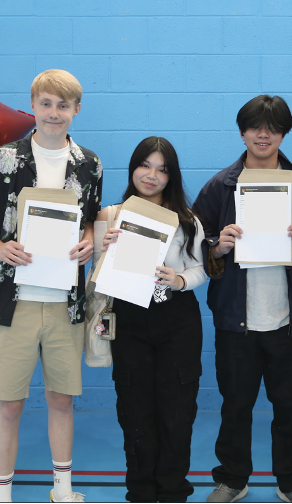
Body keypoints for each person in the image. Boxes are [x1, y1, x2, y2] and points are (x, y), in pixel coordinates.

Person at [0, 69, 102, 503]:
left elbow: (93, 221)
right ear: (34, 106)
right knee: (9, 406)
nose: (54, 113)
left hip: (65, 304)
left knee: (62, 401)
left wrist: (90, 242)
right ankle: (4, 496)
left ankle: (62, 488)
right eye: (46, 103)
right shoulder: (3, 160)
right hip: (12, 302)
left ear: (76, 110)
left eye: (63, 105)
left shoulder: (89, 164)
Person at [192, 95, 292, 504]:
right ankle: (232, 479)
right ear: (242, 132)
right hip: (237, 320)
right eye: (255, 126)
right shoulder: (220, 186)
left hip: (288, 320)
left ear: (283, 132)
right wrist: (218, 246)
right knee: (235, 405)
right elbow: (194, 245)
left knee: (290, 408)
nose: (263, 134)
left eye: (272, 127)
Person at [97, 136, 207, 503]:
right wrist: (104, 247)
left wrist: (178, 280)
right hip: (130, 320)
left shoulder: (188, 221)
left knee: (177, 413)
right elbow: (94, 274)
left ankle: (174, 491)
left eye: (162, 169)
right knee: (135, 411)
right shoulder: (112, 216)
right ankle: (140, 491)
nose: (151, 175)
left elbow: (199, 270)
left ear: (171, 176)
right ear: (133, 168)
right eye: (145, 165)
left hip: (177, 321)